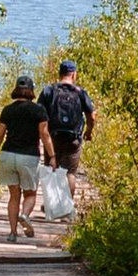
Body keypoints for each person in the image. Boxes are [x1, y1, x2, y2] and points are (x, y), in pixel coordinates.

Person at [0, 74, 52, 240]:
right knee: (30, 194)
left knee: (13, 196)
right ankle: (25, 215)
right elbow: (44, 135)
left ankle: (12, 233)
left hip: (8, 155)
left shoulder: (7, 110)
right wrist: (52, 155)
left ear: (16, 89)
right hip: (28, 157)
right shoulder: (39, 110)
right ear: (31, 91)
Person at [39, 55, 97, 213]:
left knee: (51, 168)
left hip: (52, 137)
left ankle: (50, 206)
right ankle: (66, 207)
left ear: (60, 73)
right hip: (73, 139)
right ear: (74, 74)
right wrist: (88, 132)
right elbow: (92, 115)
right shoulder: (80, 92)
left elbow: (39, 114)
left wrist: (41, 135)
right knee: (70, 173)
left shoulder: (49, 90)